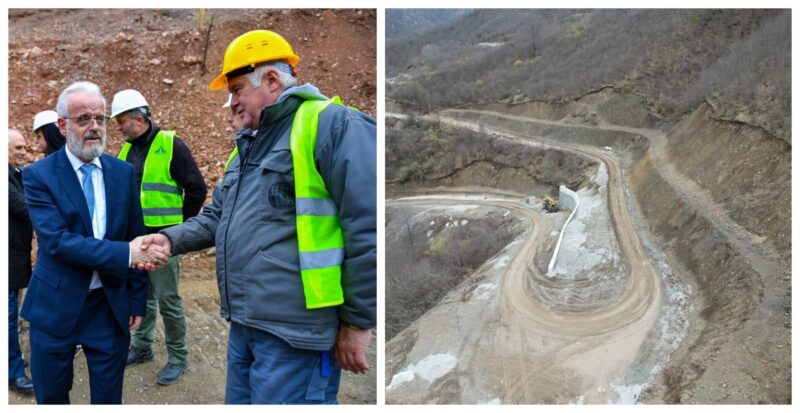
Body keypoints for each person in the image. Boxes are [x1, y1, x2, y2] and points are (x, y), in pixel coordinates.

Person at [139, 29, 376, 404]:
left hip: (297, 333)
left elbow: (368, 228)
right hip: (247, 325)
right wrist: (170, 239)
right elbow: (219, 216)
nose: (230, 102)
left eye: (236, 89)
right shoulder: (246, 149)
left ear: (270, 79)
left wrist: (357, 322)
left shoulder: (332, 125)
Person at [20, 81, 169, 404]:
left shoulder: (122, 173)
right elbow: (57, 242)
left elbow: (135, 235)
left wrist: (135, 299)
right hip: (55, 307)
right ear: (63, 125)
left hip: (108, 305)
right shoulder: (38, 176)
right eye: (84, 119)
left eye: (100, 119)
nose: (95, 127)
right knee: (52, 398)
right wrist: (126, 253)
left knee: (108, 399)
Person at [110, 88, 208, 385]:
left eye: (121, 121)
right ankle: (142, 347)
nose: (118, 127)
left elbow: (197, 188)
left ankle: (178, 356)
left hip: (163, 240)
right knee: (143, 296)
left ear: (138, 119)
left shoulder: (170, 144)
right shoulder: (126, 150)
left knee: (168, 299)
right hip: (137, 241)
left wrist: (180, 231)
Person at [8, 128, 35, 395]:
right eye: (19, 149)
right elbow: (25, 208)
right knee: (7, 320)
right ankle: (14, 373)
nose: (24, 153)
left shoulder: (15, 174)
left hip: (15, 259)